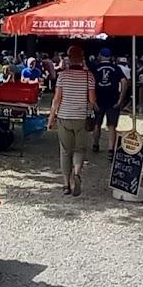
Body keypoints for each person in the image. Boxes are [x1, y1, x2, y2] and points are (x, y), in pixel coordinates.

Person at [48, 44, 96, 196]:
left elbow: (57, 99)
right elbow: (92, 99)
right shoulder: (89, 76)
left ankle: (66, 184)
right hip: (82, 117)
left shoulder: (63, 75)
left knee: (65, 150)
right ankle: (77, 173)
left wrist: (51, 117)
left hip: (64, 116)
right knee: (80, 149)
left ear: (69, 59)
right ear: (82, 58)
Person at [90, 47, 128, 157]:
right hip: (113, 99)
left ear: (100, 56)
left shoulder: (95, 68)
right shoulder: (116, 68)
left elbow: (90, 84)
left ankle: (96, 144)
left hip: (98, 99)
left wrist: (93, 101)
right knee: (112, 126)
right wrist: (121, 99)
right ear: (110, 57)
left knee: (97, 123)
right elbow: (124, 82)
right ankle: (111, 149)